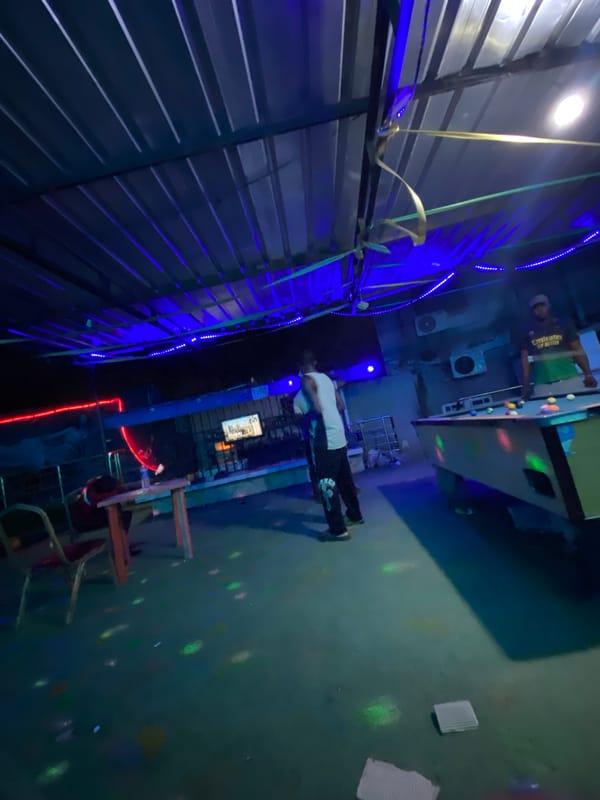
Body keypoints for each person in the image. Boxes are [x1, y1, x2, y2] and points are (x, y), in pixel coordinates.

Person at [297, 351, 363, 539]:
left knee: (327, 483)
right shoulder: (326, 379)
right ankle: (355, 515)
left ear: (299, 367)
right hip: (338, 434)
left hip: (324, 437)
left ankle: (338, 530)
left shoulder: (306, 381)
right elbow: (341, 406)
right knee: (345, 480)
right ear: (315, 362)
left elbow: (317, 409)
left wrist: (303, 417)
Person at [520, 294, 597, 400]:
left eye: (542, 305)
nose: (540, 309)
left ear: (548, 306)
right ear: (532, 311)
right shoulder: (526, 331)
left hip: (570, 380)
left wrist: (588, 374)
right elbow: (525, 359)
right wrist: (526, 384)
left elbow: (577, 350)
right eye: (536, 307)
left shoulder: (564, 324)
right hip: (543, 386)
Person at [69, 474, 139, 555]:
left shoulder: (93, 489)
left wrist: (118, 489)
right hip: (86, 521)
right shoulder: (91, 492)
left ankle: (123, 542)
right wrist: (116, 491)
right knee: (121, 517)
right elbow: (98, 499)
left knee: (121, 513)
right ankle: (122, 546)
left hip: (92, 516)